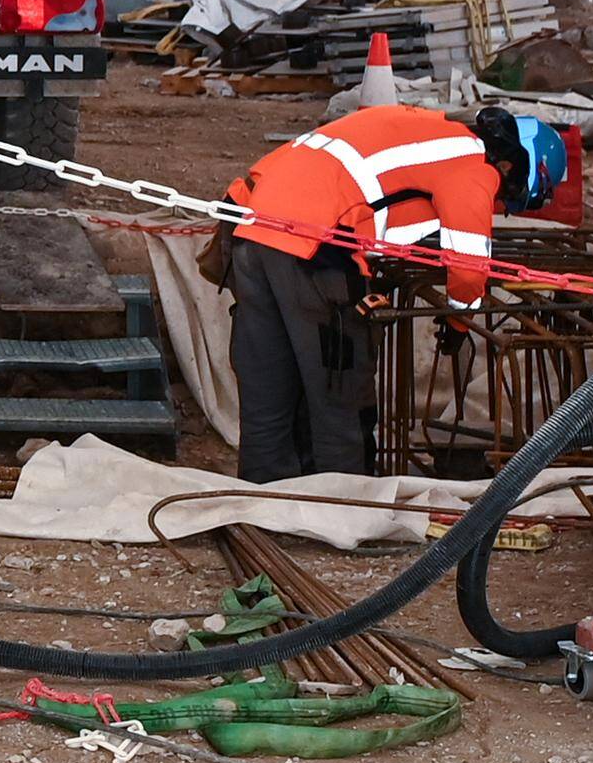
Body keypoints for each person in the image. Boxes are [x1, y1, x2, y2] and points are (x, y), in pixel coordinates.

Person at [217, 98, 566, 482]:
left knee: (268, 390)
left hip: (248, 229)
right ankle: (342, 501)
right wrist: (458, 322)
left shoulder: (427, 129)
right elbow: (469, 270)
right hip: (313, 248)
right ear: (515, 169)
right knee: (340, 393)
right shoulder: (473, 162)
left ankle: (262, 496)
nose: (498, 202)